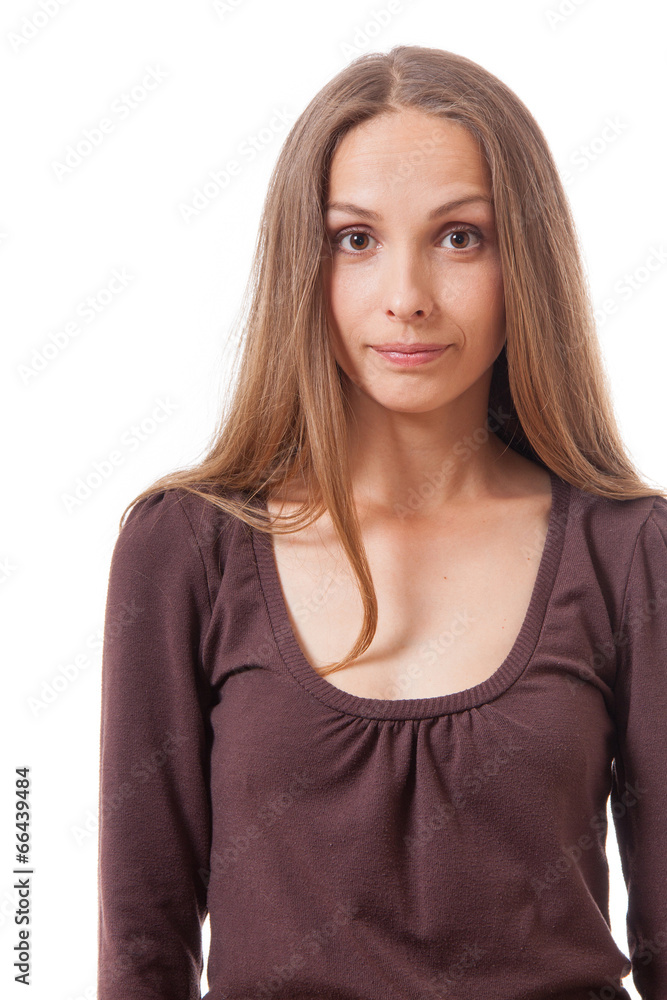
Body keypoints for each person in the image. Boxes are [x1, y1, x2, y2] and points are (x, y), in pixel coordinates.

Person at [97, 45, 667, 1000]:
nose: (406, 296)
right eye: (354, 239)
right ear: (302, 261)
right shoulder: (185, 549)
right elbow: (139, 954)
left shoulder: (631, 552)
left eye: (460, 237)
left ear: (524, 262)